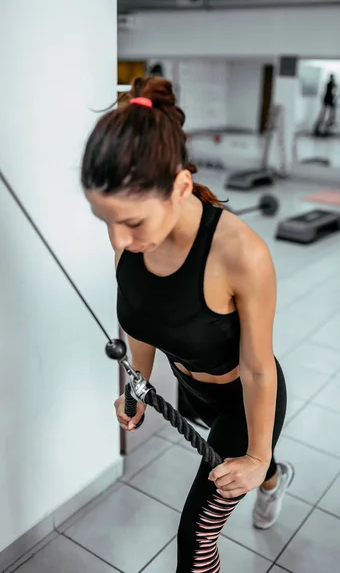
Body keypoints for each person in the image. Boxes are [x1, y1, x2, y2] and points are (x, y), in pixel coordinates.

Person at [81, 77, 294, 573]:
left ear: (179, 187)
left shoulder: (241, 253)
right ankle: (276, 476)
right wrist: (136, 385)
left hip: (244, 398)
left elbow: (259, 369)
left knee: (196, 537)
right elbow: (143, 320)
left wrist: (257, 455)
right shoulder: (130, 240)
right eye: (104, 220)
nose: (118, 238)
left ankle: (268, 470)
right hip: (190, 389)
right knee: (242, 469)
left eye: (131, 222)